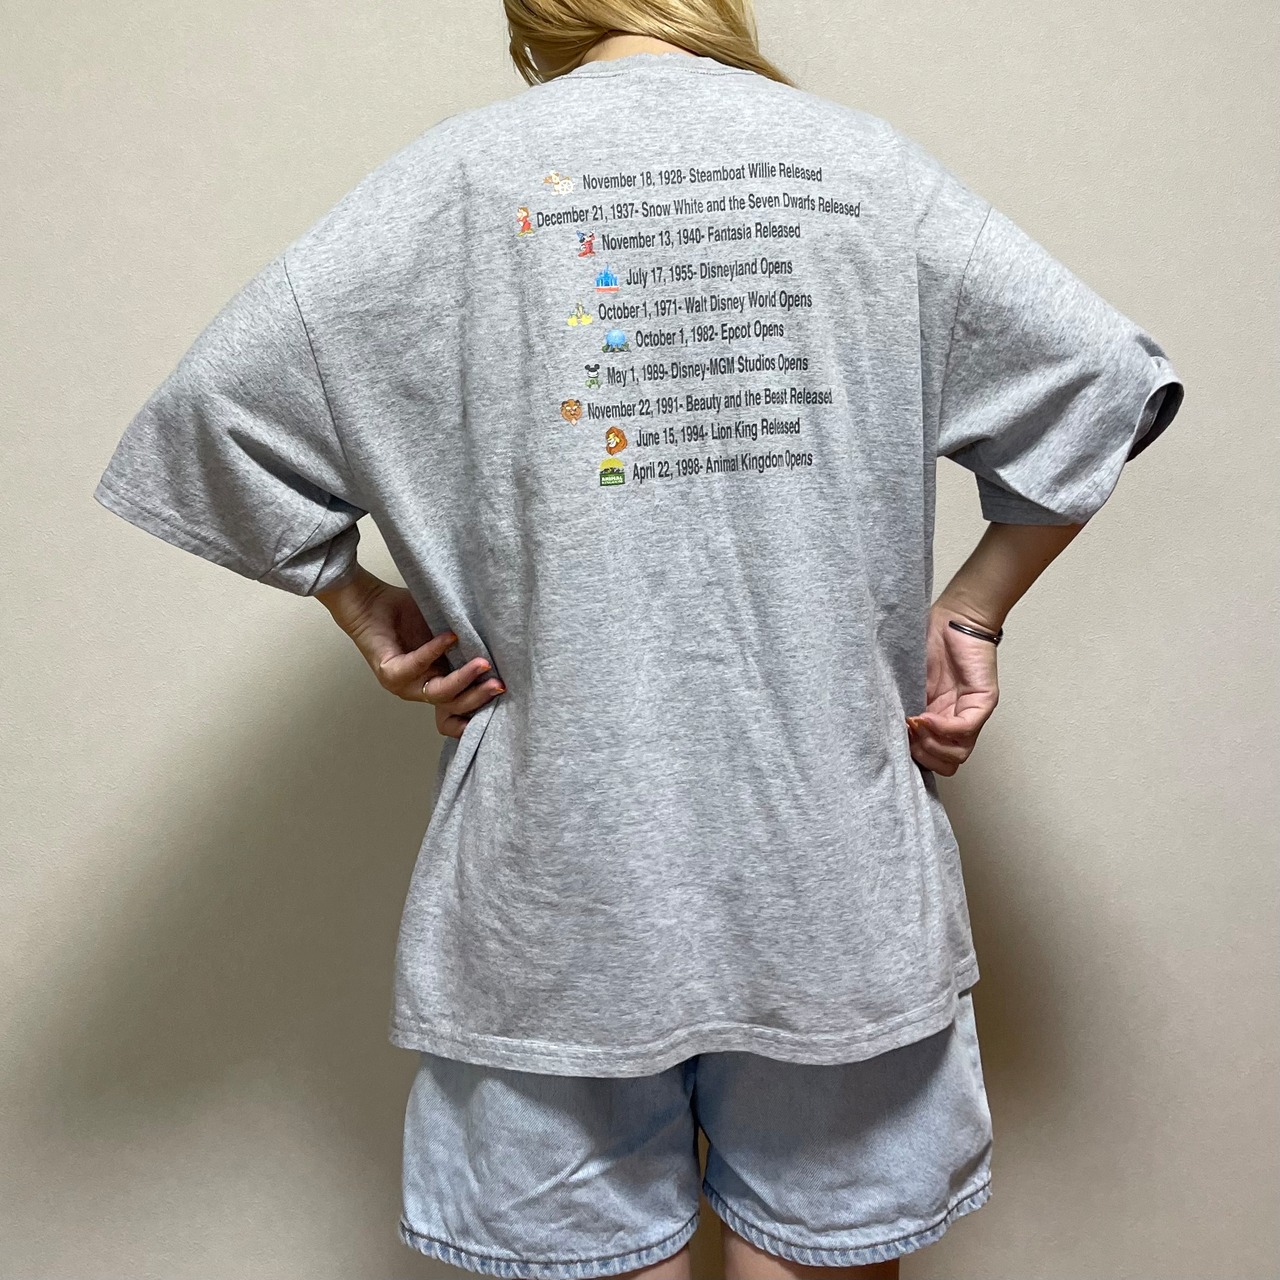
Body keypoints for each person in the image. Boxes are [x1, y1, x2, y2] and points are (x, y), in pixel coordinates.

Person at [92, 1, 1185, 1276]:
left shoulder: (451, 183)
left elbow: (213, 415)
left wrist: (357, 598)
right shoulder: (863, 170)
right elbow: (1099, 378)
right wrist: (972, 609)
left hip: (556, 886)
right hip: (832, 876)